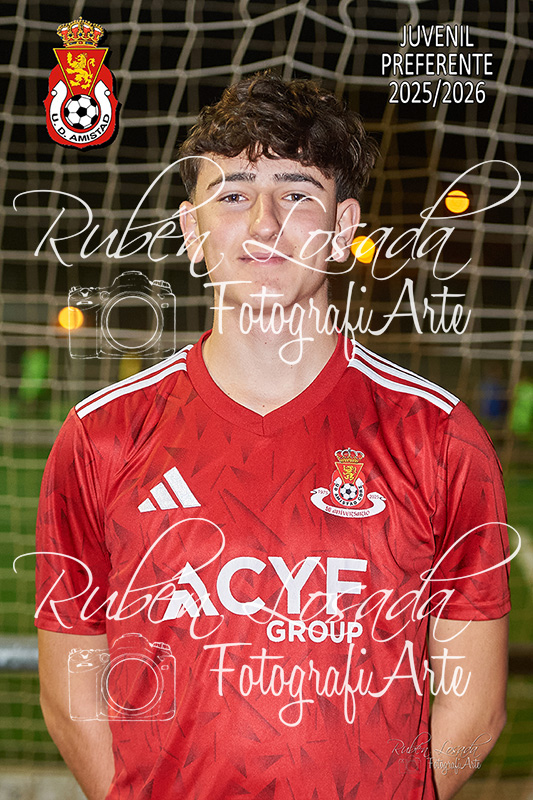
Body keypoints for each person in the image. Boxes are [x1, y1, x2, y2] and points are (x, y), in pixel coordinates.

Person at [36, 72, 510, 800]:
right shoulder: (101, 436)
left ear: (344, 228)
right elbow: (71, 693)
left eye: (296, 193)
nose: (264, 224)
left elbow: (475, 711)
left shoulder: (438, 437)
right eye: (232, 195)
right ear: (191, 230)